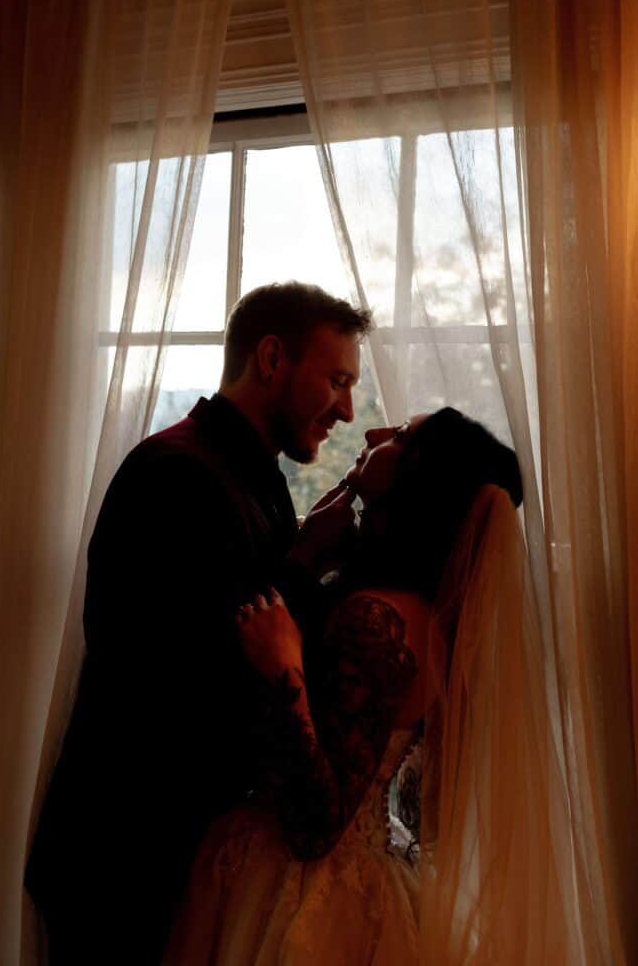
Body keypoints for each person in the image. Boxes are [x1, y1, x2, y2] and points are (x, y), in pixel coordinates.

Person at [24, 282, 373, 965]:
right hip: (125, 849)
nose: (348, 409)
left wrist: (306, 553)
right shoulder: (175, 475)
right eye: (336, 380)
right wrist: (303, 565)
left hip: (175, 844)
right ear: (271, 358)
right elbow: (206, 667)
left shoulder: (253, 476)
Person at [163, 407, 524, 965]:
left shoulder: (376, 620)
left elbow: (316, 825)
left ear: (421, 477)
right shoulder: (416, 614)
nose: (375, 433)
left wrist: (284, 670)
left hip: (306, 892)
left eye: (400, 436)